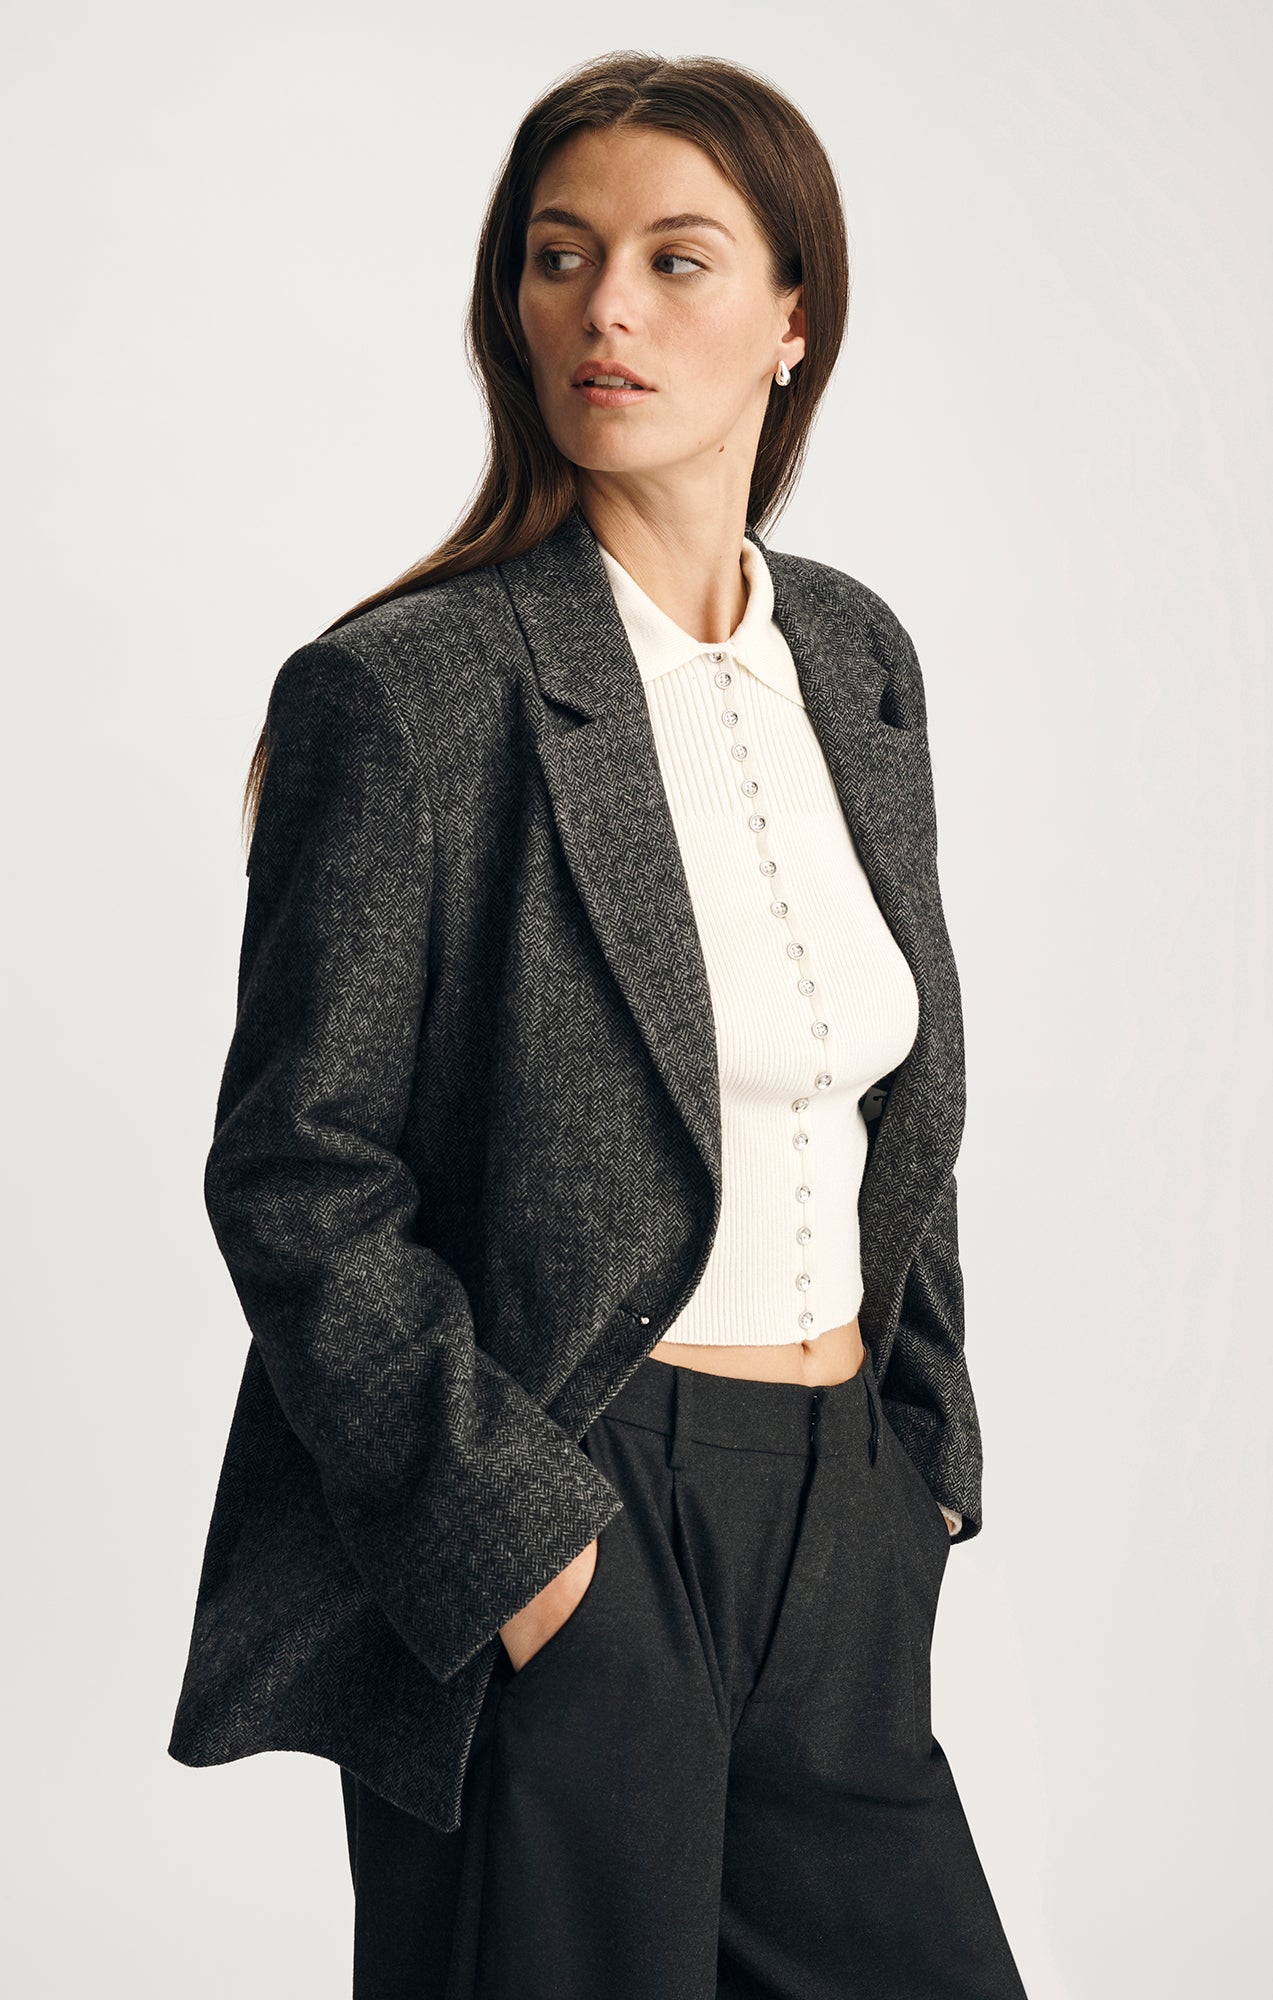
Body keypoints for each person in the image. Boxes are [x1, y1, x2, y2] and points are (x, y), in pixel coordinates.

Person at [168, 49, 1029, 2000]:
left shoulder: (856, 660)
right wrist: (525, 1550)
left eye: (672, 258)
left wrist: (920, 1456)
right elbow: (300, 1175)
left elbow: (889, 1093)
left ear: (793, 318)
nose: (604, 308)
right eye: (558, 258)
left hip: (839, 1518)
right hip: (573, 1490)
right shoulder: (412, 689)